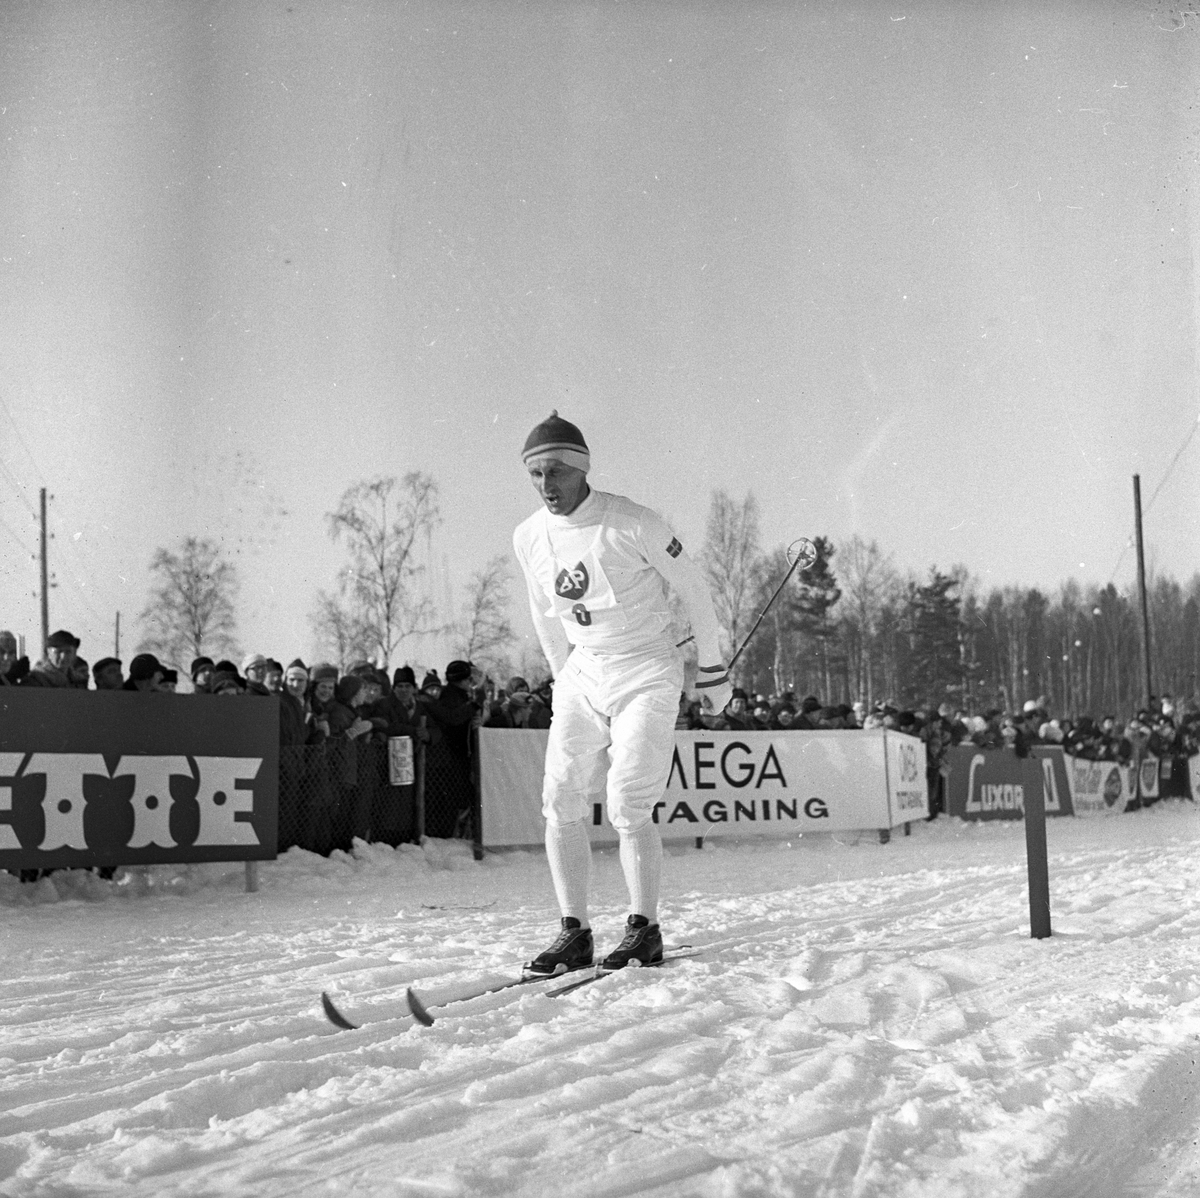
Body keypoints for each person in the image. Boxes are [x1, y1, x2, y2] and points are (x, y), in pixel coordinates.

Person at [513, 411, 731, 973]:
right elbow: (543, 611)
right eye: (535, 474)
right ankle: (574, 931)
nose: (546, 486)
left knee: (628, 800)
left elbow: (695, 586)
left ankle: (643, 928)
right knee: (559, 799)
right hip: (584, 673)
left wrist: (714, 669)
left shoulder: (631, 521)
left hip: (647, 670)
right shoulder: (529, 536)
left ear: (582, 468)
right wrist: (564, 677)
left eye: (556, 471)